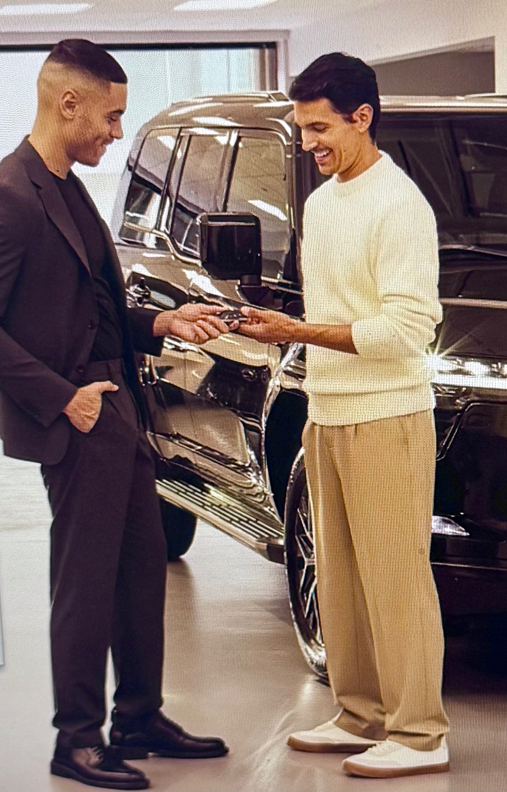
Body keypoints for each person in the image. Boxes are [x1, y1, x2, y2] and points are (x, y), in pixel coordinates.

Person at [0, 39, 231, 791]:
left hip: (118, 407)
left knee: (139, 571)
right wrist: (60, 398)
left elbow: (93, 309)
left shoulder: (68, 189)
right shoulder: (10, 194)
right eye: (111, 116)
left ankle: (138, 717)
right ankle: (76, 741)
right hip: (77, 415)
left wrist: (162, 322)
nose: (116, 132)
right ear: (69, 104)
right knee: (85, 582)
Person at [237, 52, 449, 779]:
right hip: (326, 410)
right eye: (303, 129)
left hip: (387, 415)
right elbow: (338, 308)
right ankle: (360, 713)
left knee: (396, 578)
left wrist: (296, 331)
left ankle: (420, 732)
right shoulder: (323, 204)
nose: (308, 145)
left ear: (363, 118)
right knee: (340, 574)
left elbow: (408, 329)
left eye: (320, 129)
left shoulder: (400, 205)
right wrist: (282, 326)